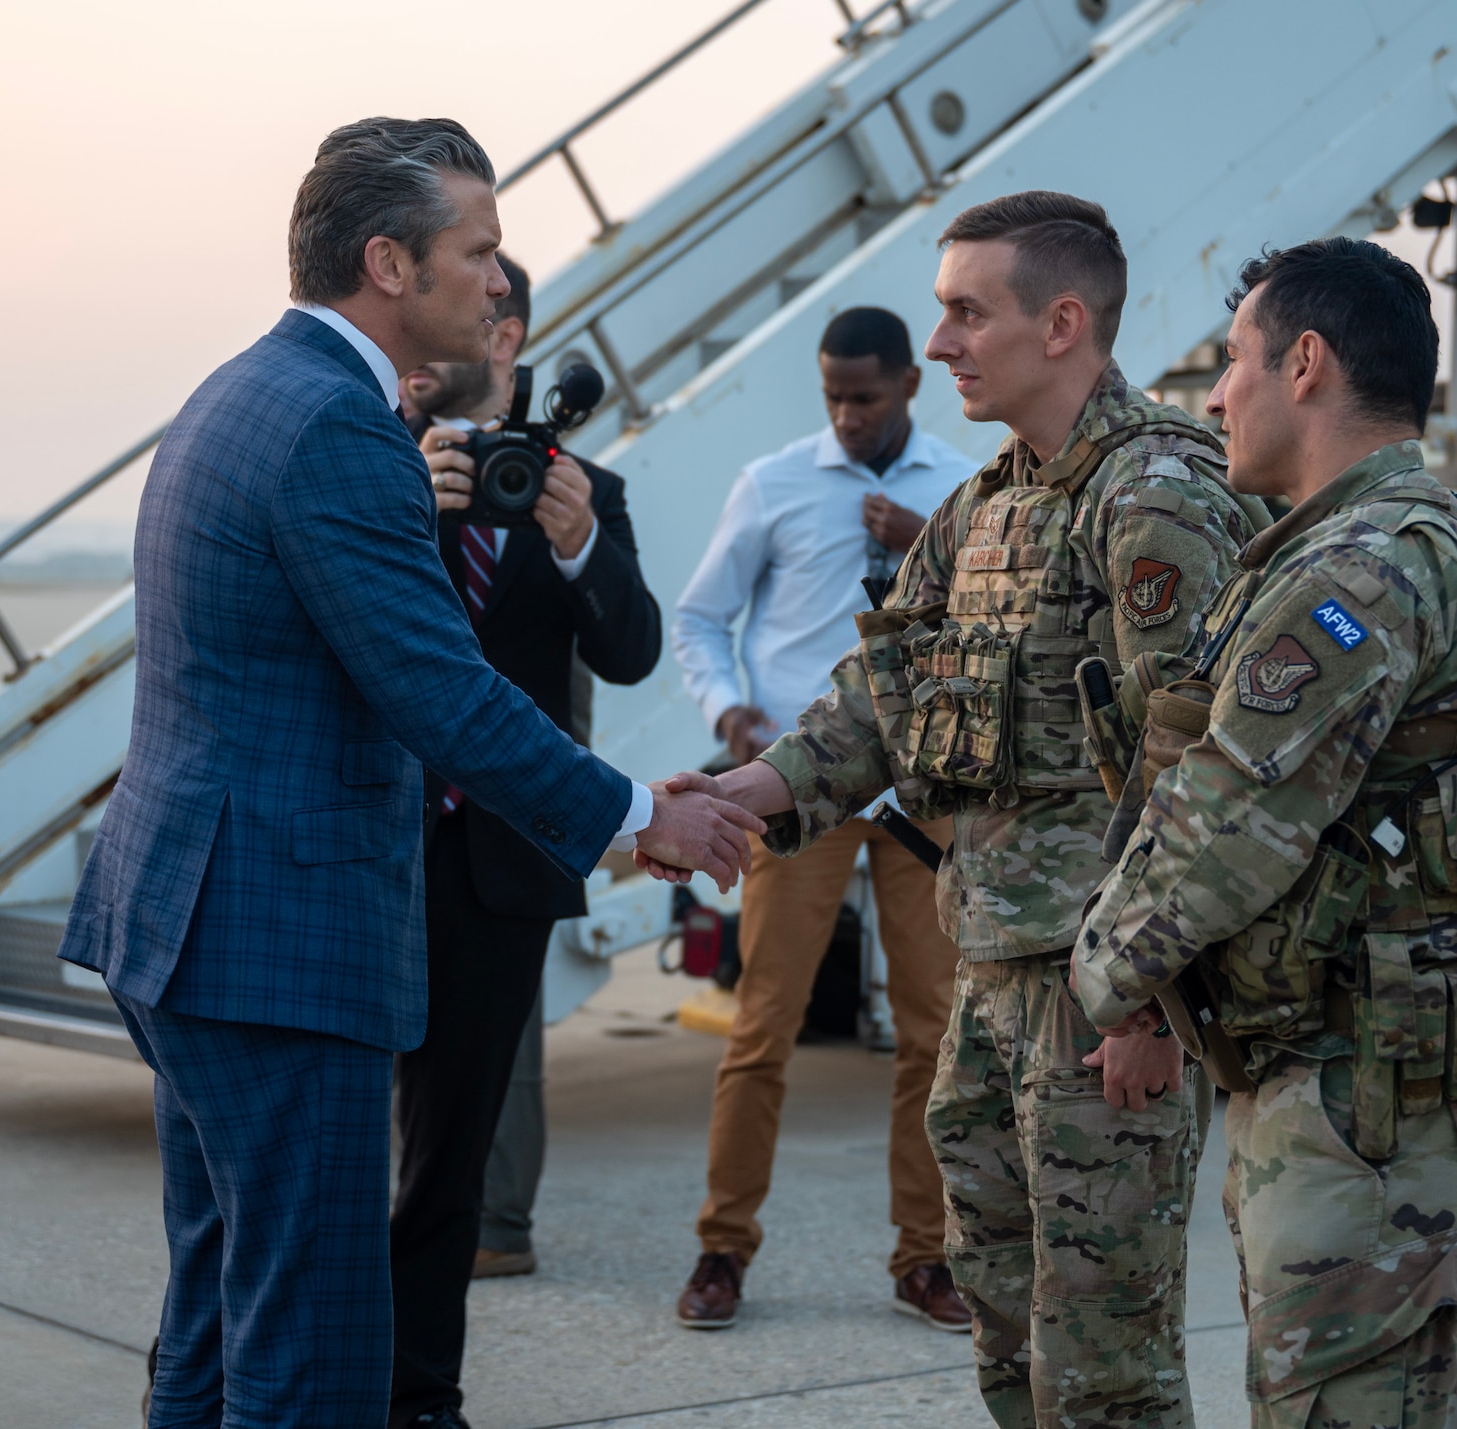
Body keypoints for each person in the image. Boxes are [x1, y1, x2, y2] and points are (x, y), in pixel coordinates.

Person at [56, 117, 761, 1428]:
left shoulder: (242, 388)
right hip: (275, 946)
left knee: (216, 1318)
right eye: (477, 251)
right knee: (311, 1356)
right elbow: (439, 691)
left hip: (196, 927)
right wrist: (640, 816)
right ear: (389, 262)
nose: (501, 283)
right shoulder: (337, 430)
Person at [649, 191, 1265, 1428]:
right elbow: (873, 697)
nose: (938, 346)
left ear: (1062, 324)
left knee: (1105, 1358)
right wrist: (740, 794)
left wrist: (1151, 999)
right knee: (1003, 1328)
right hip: (989, 979)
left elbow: (1210, 766)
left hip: (1101, 1007)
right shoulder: (986, 506)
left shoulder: (1155, 497)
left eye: (964, 312)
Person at [1073, 235, 1457, 1429]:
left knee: (1335, 1406)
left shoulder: (1352, 572)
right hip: (1406, 1062)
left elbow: (1231, 819)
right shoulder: (1449, 538)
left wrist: (1099, 977)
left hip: (1358, 1084)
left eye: (1234, 359)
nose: (1213, 395)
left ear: (1304, 364)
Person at [388, 254, 662, 1429]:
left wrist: (576, 544)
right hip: (376, 845)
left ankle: (423, 1396)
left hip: (497, 864)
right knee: (332, 1146)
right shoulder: (390, 463)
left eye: (491, 315)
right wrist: (414, 495)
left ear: (515, 336)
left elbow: (634, 650)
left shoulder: (585, 483)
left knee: (452, 1157)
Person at [666, 307, 976, 1331]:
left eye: (866, 397)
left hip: (918, 794)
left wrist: (928, 539)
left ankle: (924, 1259)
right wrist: (727, 712)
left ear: (908, 388)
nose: (847, 416)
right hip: (798, 785)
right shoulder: (774, 482)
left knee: (933, 1037)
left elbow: (1001, 627)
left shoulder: (965, 488)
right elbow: (700, 615)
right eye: (833, 397)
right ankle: (721, 1249)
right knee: (763, 1025)